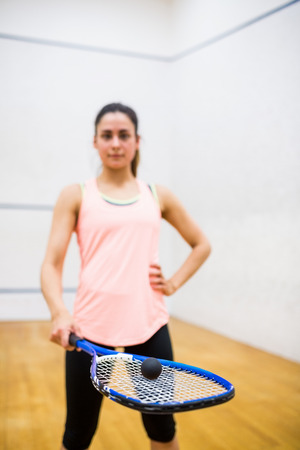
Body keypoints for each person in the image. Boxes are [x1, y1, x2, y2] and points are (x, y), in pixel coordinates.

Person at [41, 103, 211, 450]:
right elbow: (51, 263)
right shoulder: (76, 194)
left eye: (124, 135)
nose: (115, 143)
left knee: (162, 430)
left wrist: (173, 282)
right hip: (88, 333)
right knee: (77, 434)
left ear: (137, 141)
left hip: (148, 327)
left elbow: (201, 244)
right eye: (107, 136)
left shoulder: (157, 195)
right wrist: (59, 311)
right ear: (95, 142)